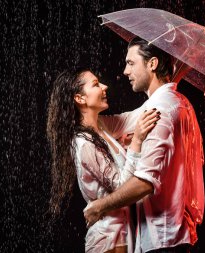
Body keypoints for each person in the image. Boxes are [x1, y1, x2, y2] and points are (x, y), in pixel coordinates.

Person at [84, 37, 205, 253]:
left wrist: (100, 207)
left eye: (131, 63)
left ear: (152, 64)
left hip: (162, 238)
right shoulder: (176, 103)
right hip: (174, 235)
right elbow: (118, 123)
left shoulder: (162, 111)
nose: (125, 71)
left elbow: (145, 183)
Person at [46, 68, 160, 253]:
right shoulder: (84, 144)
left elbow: (137, 115)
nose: (105, 87)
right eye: (96, 84)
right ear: (80, 98)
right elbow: (122, 186)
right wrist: (136, 142)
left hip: (122, 231)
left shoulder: (102, 126)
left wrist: (167, 81)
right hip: (108, 238)